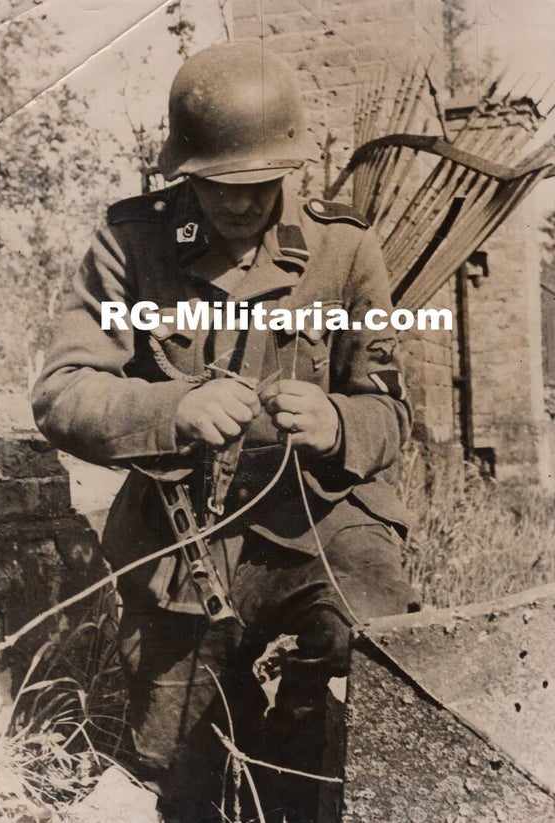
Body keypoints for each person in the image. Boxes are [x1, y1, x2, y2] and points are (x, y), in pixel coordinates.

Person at [32, 41, 418, 823]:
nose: (240, 205)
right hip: (183, 539)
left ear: (291, 168)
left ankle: (304, 770)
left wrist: (339, 420)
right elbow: (61, 391)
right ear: (185, 171)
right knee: (172, 763)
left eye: (259, 185)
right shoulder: (131, 248)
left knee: (373, 665)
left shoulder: (346, 249)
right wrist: (171, 409)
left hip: (321, 529)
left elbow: (393, 413)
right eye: (217, 186)